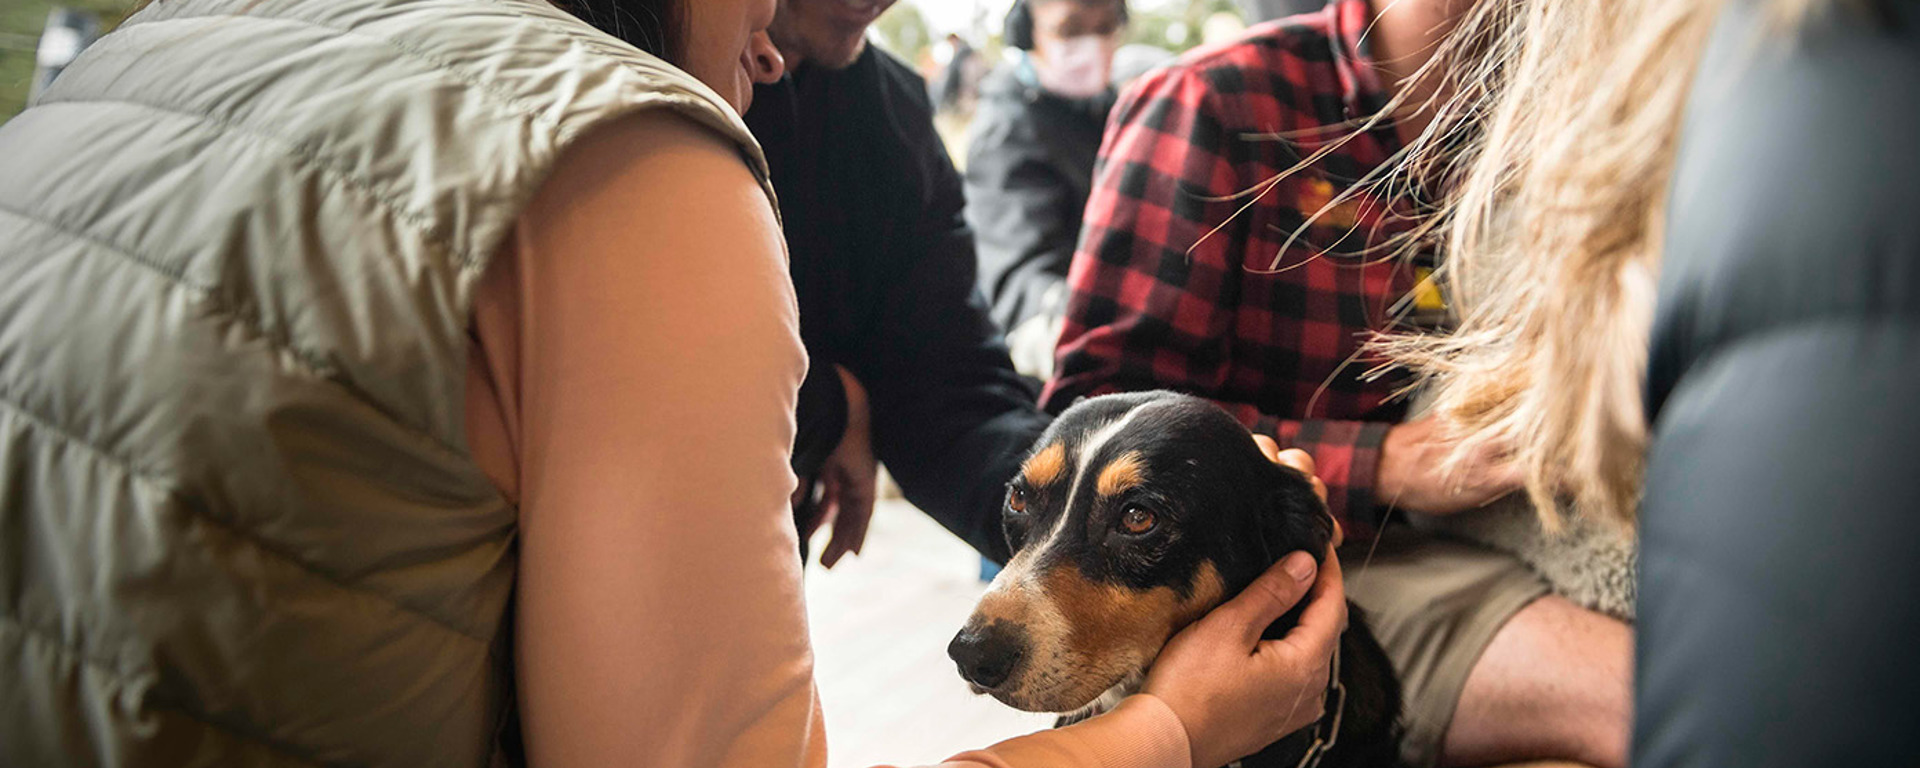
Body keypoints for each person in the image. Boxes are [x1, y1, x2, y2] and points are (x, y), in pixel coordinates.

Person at [0, 0, 1350, 766]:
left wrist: (817, 399)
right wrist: (1169, 728)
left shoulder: (155, 46)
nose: (767, 49)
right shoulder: (636, 156)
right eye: (752, 3)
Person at [1043, 0, 1633, 766]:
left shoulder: (1560, 113)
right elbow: (1098, 408)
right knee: (1652, 697)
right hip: (1291, 566)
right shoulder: (1214, 102)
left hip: (1488, 534)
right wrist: (1387, 463)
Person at [1379, 0, 1920, 765]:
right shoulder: (1225, 100)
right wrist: (1379, 462)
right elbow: (1154, 412)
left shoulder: (1645, 113)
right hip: (1351, 543)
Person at [745, 0, 1055, 568]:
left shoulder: (893, 114)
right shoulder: (609, 76)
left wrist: (1095, 511)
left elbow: (948, 389)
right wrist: (831, 406)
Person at [966, 0, 1169, 381]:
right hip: (1061, 361)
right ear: (1026, 34)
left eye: (1106, 27)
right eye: (1070, 29)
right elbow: (1020, 283)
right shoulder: (1007, 133)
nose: (1091, 44)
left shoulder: (1107, 109)